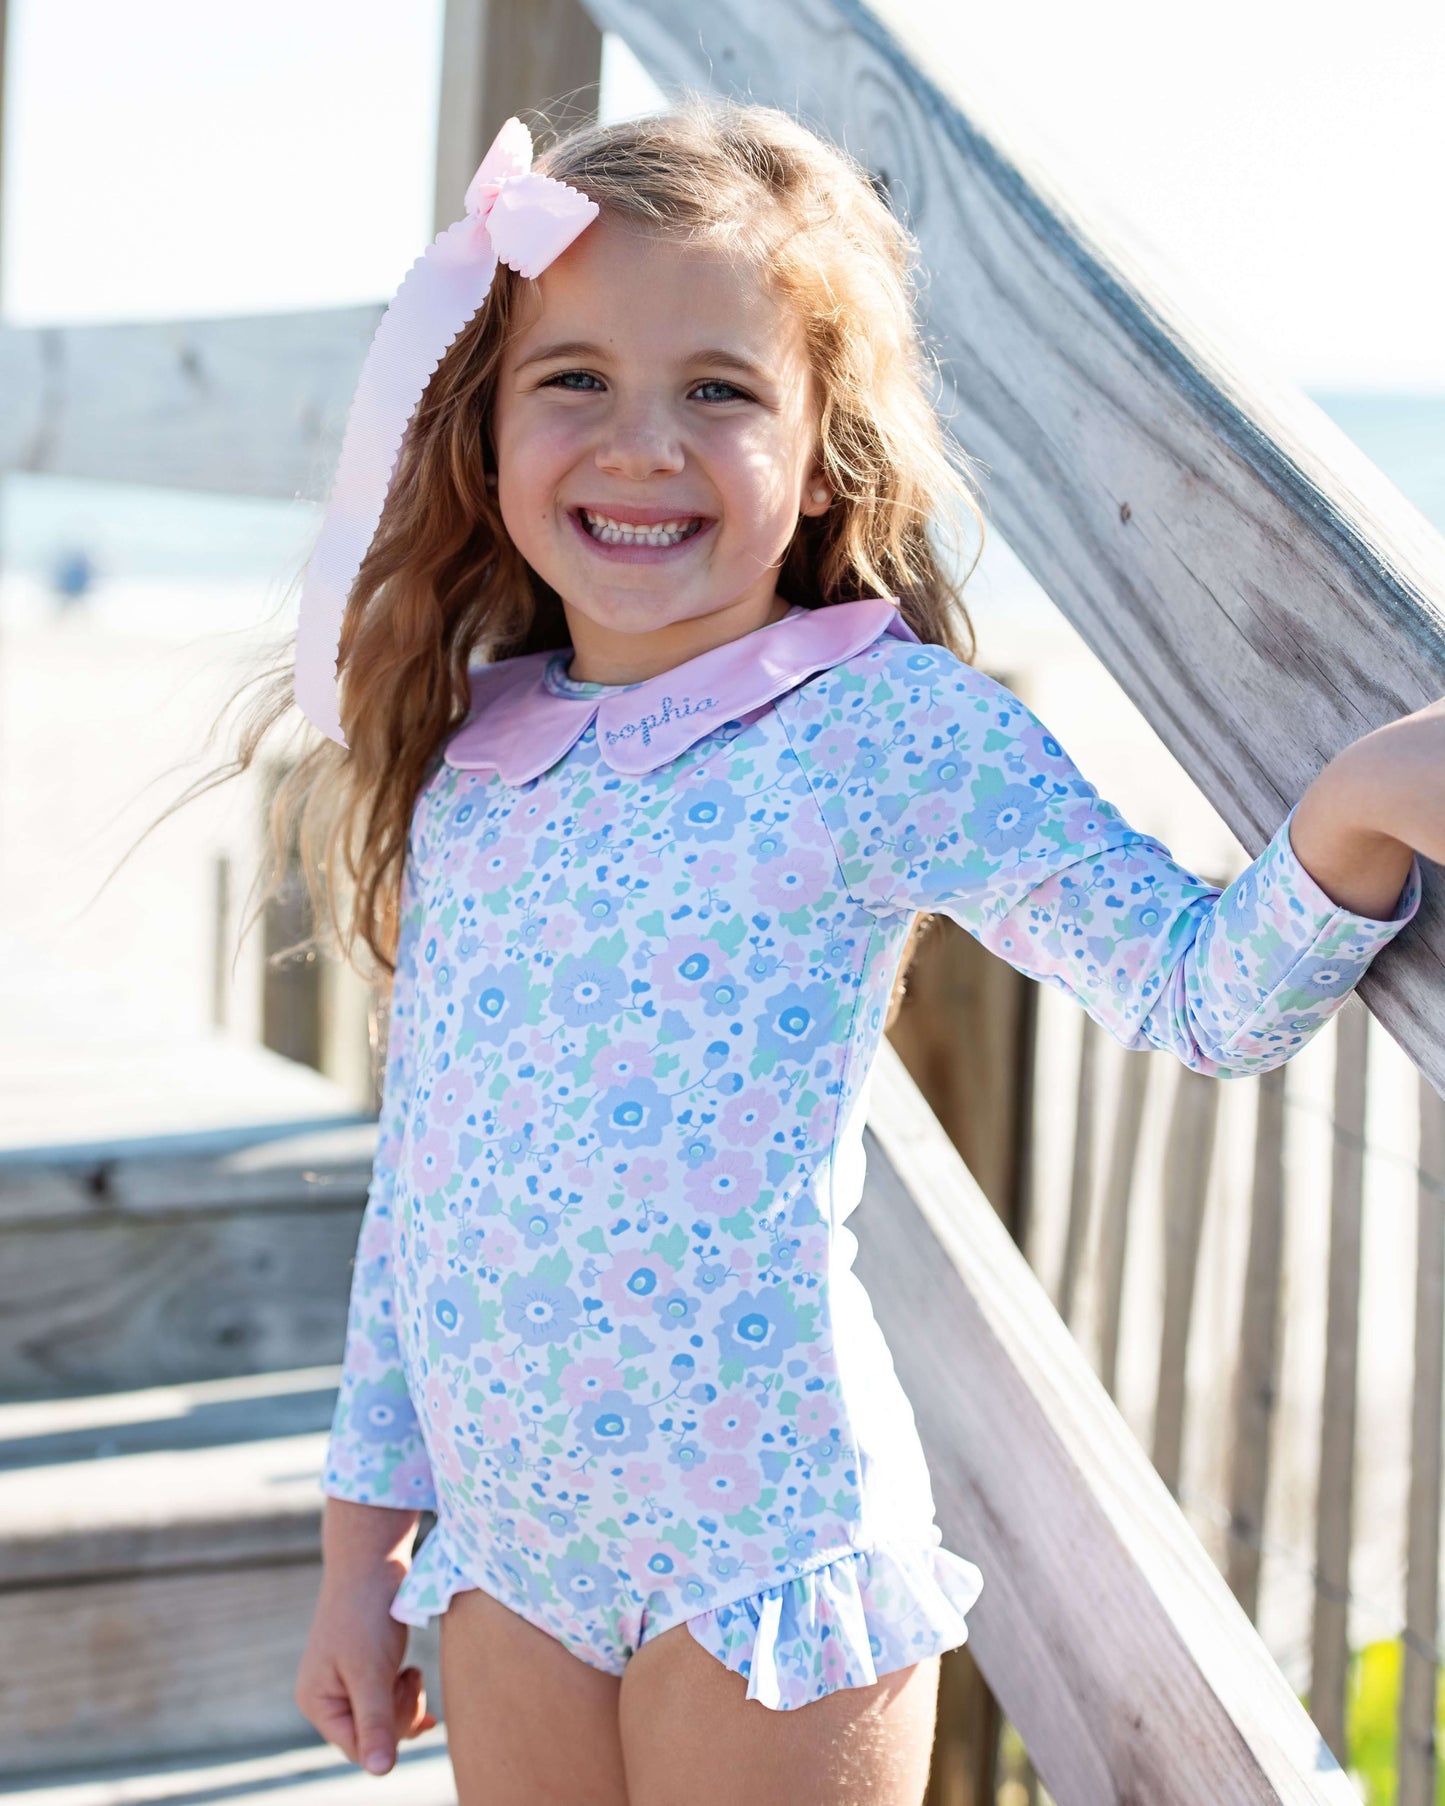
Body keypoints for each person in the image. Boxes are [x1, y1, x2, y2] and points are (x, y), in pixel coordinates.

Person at [265, 97, 1439, 1806]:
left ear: (823, 450)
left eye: (719, 389)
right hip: (507, 1555)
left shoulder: (882, 733)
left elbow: (1194, 995)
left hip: (764, 1560)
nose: (641, 443)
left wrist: (1359, 807)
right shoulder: (478, 761)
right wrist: (358, 1555)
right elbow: (420, 1194)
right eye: (573, 377)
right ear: (490, 425)